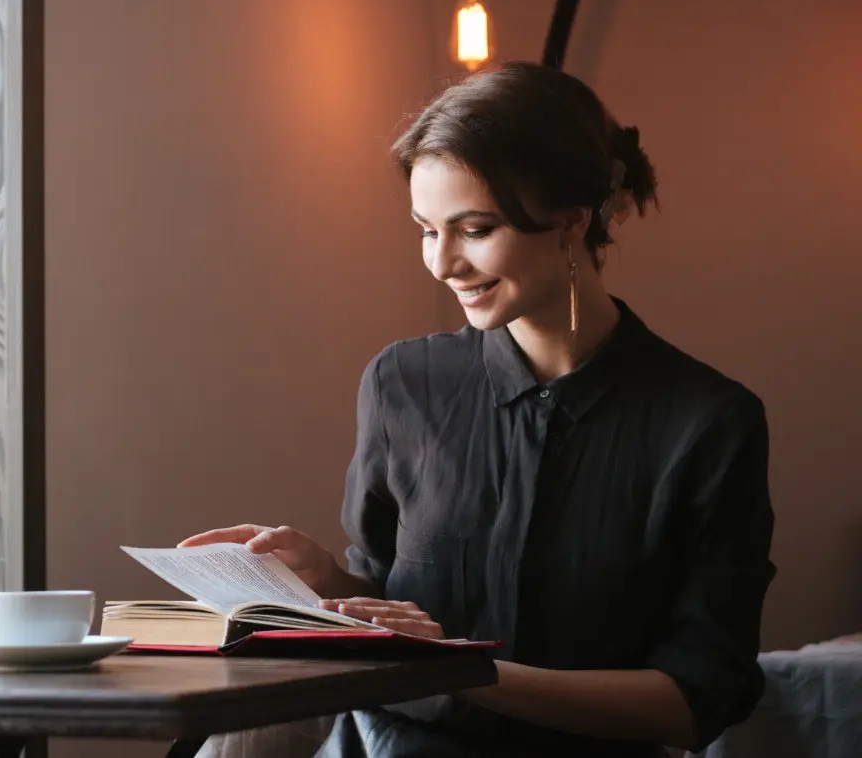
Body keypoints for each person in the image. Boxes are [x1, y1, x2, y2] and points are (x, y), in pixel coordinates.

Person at [180, 61, 775, 758]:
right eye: (427, 229)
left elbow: (694, 700)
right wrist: (322, 585)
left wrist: (464, 671)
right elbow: (385, 598)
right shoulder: (403, 382)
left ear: (571, 222)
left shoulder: (706, 422)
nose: (442, 263)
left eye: (475, 228)